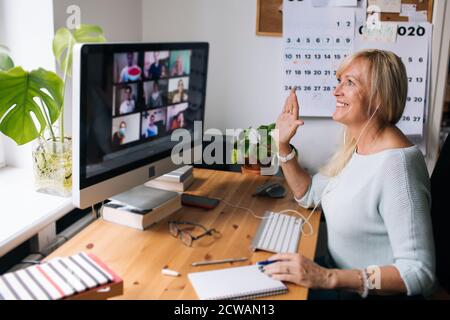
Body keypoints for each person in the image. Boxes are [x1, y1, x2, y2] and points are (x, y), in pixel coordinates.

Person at [263, 49, 436, 299]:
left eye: (350, 82)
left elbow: (418, 272)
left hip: (359, 291)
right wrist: (282, 146)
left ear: (379, 97)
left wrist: (328, 277)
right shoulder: (358, 146)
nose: (336, 91)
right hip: (339, 278)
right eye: (339, 81)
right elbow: (308, 194)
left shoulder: (398, 167)